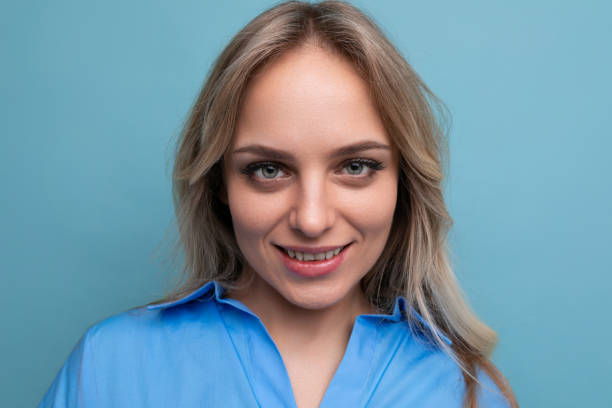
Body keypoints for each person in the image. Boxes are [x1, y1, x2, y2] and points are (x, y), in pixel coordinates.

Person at [39, 1, 518, 407]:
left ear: (404, 184)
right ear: (218, 185)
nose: (312, 220)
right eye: (268, 170)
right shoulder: (108, 367)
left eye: (355, 166)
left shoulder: (467, 391)